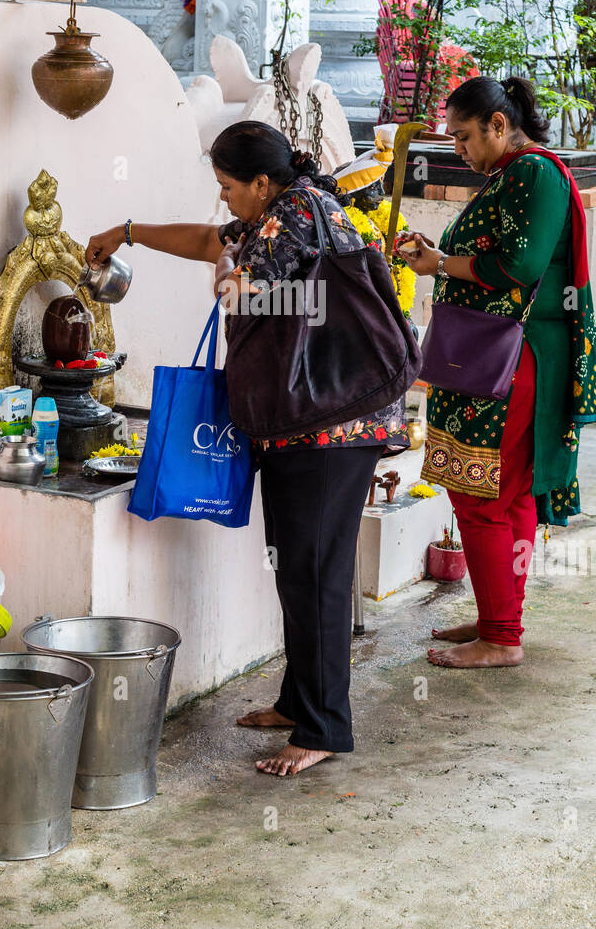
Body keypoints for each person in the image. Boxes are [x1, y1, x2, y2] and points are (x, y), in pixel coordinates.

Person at [86, 123, 409, 775]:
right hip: (305, 423)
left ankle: (324, 728)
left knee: (316, 572)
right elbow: (213, 243)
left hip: (334, 424)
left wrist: (230, 276)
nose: (225, 201)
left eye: (230, 188)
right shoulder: (278, 212)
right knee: (296, 565)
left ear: (262, 183)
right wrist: (128, 234)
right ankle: (299, 702)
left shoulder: (297, 214)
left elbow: (240, 286)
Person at [397, 75, 596, 670]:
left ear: (497, 125)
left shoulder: (534, 173)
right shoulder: (510, 176)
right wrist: (441, 261)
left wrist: (440, 263)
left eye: (464, 137)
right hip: (501, 355)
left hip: (514, 360)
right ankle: (498, 619)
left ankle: (501, 639)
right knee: (507, 493)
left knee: (483, 494)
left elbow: (521, 265)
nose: (458, 149)